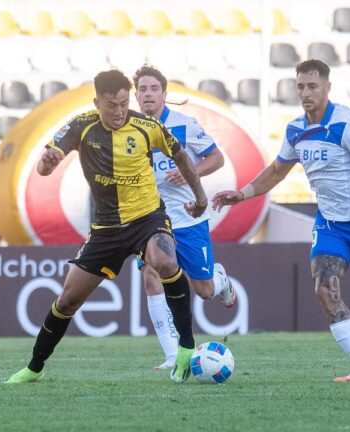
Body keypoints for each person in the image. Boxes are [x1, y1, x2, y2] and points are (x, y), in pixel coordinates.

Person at [211, 60, 350, 382]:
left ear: (327, 87)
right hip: (331, 225)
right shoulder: (295, 129)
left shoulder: (346, 124)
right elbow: (278, 169)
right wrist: (244, 192)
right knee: (325, 289)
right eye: (301, 87)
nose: (306, 93)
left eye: (312, 86)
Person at [5, 69, 208, 384]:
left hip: (147, 218)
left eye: (124, 103)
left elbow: (181, 156)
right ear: (97, 101)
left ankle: (185, 346)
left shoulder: (147, 127)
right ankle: (34, 367)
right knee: (68, 300)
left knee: (165, 262)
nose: (119, 111)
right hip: (106, 229)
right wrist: (47, 163)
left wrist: (200, 196)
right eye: (111, 105)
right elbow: (49, 160)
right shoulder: (81, 126)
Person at [133, 65, 235, 370]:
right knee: (151, 274)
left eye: (154, 89)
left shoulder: (184, 125)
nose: (148, 94)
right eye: (142, 89)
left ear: (164, 94)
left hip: (188, 217)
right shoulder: (129, 129)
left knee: (203, 290)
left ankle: (221, 280)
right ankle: (171, 355)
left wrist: (190, 171)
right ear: (135, 95)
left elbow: (216, 158)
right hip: (150, 219)